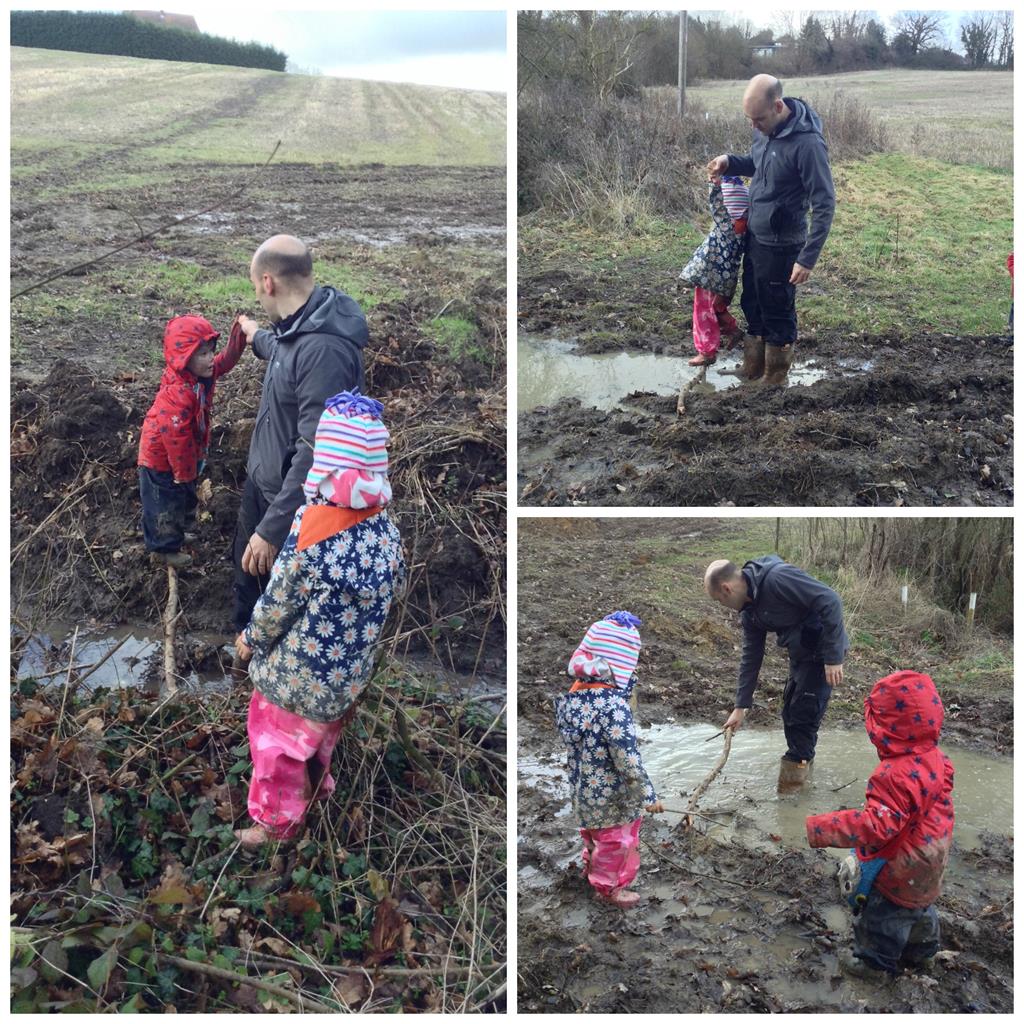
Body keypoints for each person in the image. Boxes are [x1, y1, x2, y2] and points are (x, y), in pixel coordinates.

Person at [233, 391, 404, 847]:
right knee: (317, 740)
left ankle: (276, 825)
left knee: (276, 748)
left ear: (323, 464)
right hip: (345, 680)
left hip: (294, 680)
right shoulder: (385, 531)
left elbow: (279, 598)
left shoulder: (312, 525)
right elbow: (395, 589)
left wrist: (251, 637)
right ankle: (317, 791)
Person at [232, 234, 369, 667]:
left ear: (267, 282)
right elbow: (281, 350)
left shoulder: (323, 348)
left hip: (293, 509)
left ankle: (269, 696)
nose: (258, 295)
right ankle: (239, 677)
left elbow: (315, 450)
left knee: (281, 611)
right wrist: (255, 335)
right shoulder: (299, 327)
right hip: (264, 483)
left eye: (257, 287)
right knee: (245, 588)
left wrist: (272, 528)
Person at [805, 670, 954, 978]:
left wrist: (820, 827)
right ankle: (923, 954)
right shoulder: (939, 759)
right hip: (932, 860)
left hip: (901, 868)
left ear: (883, 728)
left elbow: (876, 825)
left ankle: (873, 964)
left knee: (884, 914)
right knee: (919, 907)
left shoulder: (891, 774)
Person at [706, 74, 836, 385]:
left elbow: (825, 202)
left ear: (778, 106)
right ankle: (752, 367)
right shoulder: (765, 131)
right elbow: (759, 163)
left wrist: (808, 258)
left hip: (783, 245)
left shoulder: (808, 144)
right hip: (756, 235)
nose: (754, 126)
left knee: (777, 309)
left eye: (758, 119)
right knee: (753, 302)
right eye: (749, 119)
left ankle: (774, 378)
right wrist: (730, 162)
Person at [704, 555, 848, 793]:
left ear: (726, 589)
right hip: (801, 653)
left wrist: (833, 658)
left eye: (719, 601)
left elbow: (830, 600)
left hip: (824, 652)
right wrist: (741, 706)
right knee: (790, 712)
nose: (722, 606)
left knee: (802, 717)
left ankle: (792, 798)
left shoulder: (777, 579)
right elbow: (751, 656)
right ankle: (802, 781)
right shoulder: (749, 612)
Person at [555, 611, 663, 909]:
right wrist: (647, 795)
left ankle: (592, 869)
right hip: (611, 799)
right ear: (620, 667)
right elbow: (627, 759)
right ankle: (610, 888)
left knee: (594, 837)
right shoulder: (613, 707)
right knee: (618, 843)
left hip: (584, 794)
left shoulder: (572, 699)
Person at [138, 314, 246, 568]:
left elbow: (225, 362)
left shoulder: (198, 376)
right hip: (161, 460)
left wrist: (238, 338)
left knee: (180, 499)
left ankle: (175, 535)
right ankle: (163, 550)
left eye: (210, 351)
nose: (210, 358)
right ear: (183, 358)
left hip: (181, 457)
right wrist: (184, 473)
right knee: (163, 503)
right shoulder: (177, 393)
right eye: (202, 354)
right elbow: (176, 440)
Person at [679, 174, 749, 366]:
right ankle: (733, 330)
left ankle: (706, 352)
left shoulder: (726, 226)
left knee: (703, 312)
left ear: (731, 210)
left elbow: (716, 204)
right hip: (726, 281)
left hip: (710, 278)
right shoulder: (744, 233)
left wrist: (714, 184)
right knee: (717, 308)